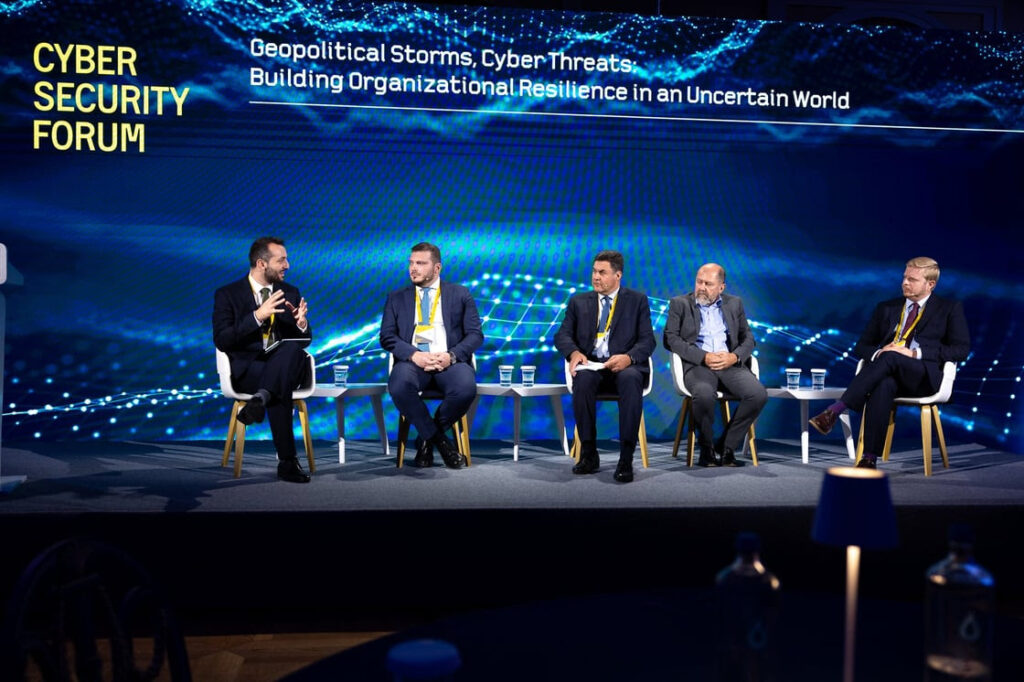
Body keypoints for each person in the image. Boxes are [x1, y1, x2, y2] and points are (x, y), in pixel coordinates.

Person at [809, 257, 970, 468]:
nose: (905, 283)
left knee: (892, 356)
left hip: (923, 378)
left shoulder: (948, 308)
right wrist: (879, 352)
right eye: (904, 278)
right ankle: (868, 459)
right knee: (884, 383)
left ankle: (837, 409)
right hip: (888, 371)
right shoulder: (886, 308)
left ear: (930, 284)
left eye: (912, 280)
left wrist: (914, 353)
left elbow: (961, 350)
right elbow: (862, 346)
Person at [213, 236, 313, 483]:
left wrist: (301, 325)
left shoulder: (290, 292)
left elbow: (303, 341)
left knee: (291, 351)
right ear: (261, 264)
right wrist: (257, 316)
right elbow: (223, 340)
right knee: (279, 383)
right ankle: (287, 462)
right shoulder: (228, 294)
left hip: (286, 365)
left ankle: (261, 399)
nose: (287, 265)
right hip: (250, 371)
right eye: (282, 260)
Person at [554, 250, 655, 483]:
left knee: (631, 379)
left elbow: (647, 341)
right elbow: (562, 335)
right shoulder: (579, 302)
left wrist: (629, 358)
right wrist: (574, 352)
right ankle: (589, 454)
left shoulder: (637, 301)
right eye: (594, 271)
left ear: (618, 275)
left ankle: (626, 459)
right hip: (592, 366)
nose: (595, 277)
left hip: (624, 366)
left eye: (602, 272)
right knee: (583, 380)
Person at [380, 242, 483, 469]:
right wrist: (413, 354)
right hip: (413, 362)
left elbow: (475, 335)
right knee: (399, 385)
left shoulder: (460, 294)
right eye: (411, 263)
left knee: (465, 388)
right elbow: (386, 336)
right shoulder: (396, 297)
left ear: (437, 268)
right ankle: (442, 443)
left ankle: (425, 439)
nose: (413, 268)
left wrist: (451, 356)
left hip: (449, 361)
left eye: (420, 263)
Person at [663, 263, 767, 467]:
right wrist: (703, 357)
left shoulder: (734, 304)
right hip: (698, 365)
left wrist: (734, 357)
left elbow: (748, 338)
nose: (701, 287)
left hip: (729, 364)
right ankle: (706, 449)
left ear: (721, 287)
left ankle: (726, 447)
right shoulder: (679, 303)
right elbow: (671, 339)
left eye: (708, 284)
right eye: (699, 282)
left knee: (758, 395)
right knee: (703, 394)